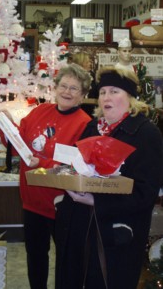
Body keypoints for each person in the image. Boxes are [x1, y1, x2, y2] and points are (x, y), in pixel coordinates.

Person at [55, 66, 163, 289]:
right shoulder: (93, 127)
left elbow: (146, 193)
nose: (106, 97)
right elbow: (80, 167)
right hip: (80, 229)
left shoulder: (146, 134)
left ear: (130, 98)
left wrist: (98, 201)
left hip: (116, 237)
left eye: (115, 91)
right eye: (103, 92)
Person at [0, 64, 92, 289]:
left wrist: (42, 163)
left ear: (83, 95)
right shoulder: (40, 112)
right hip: (32, 202)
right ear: (55, 87)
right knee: (36, 258)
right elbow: (17, 145)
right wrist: (6, 125)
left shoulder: (85, 124)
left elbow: (77, 167)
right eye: (64, 86)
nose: (67, 92)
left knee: (66, 263)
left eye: (74, 88)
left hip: (63, 205)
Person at [70, 52, 98, 117]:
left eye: (90, 62)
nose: (90, 64)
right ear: (81, 63)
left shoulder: (93, 76)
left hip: (91, 112)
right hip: (75, 111)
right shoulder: (72, 77)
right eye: (87, 62)